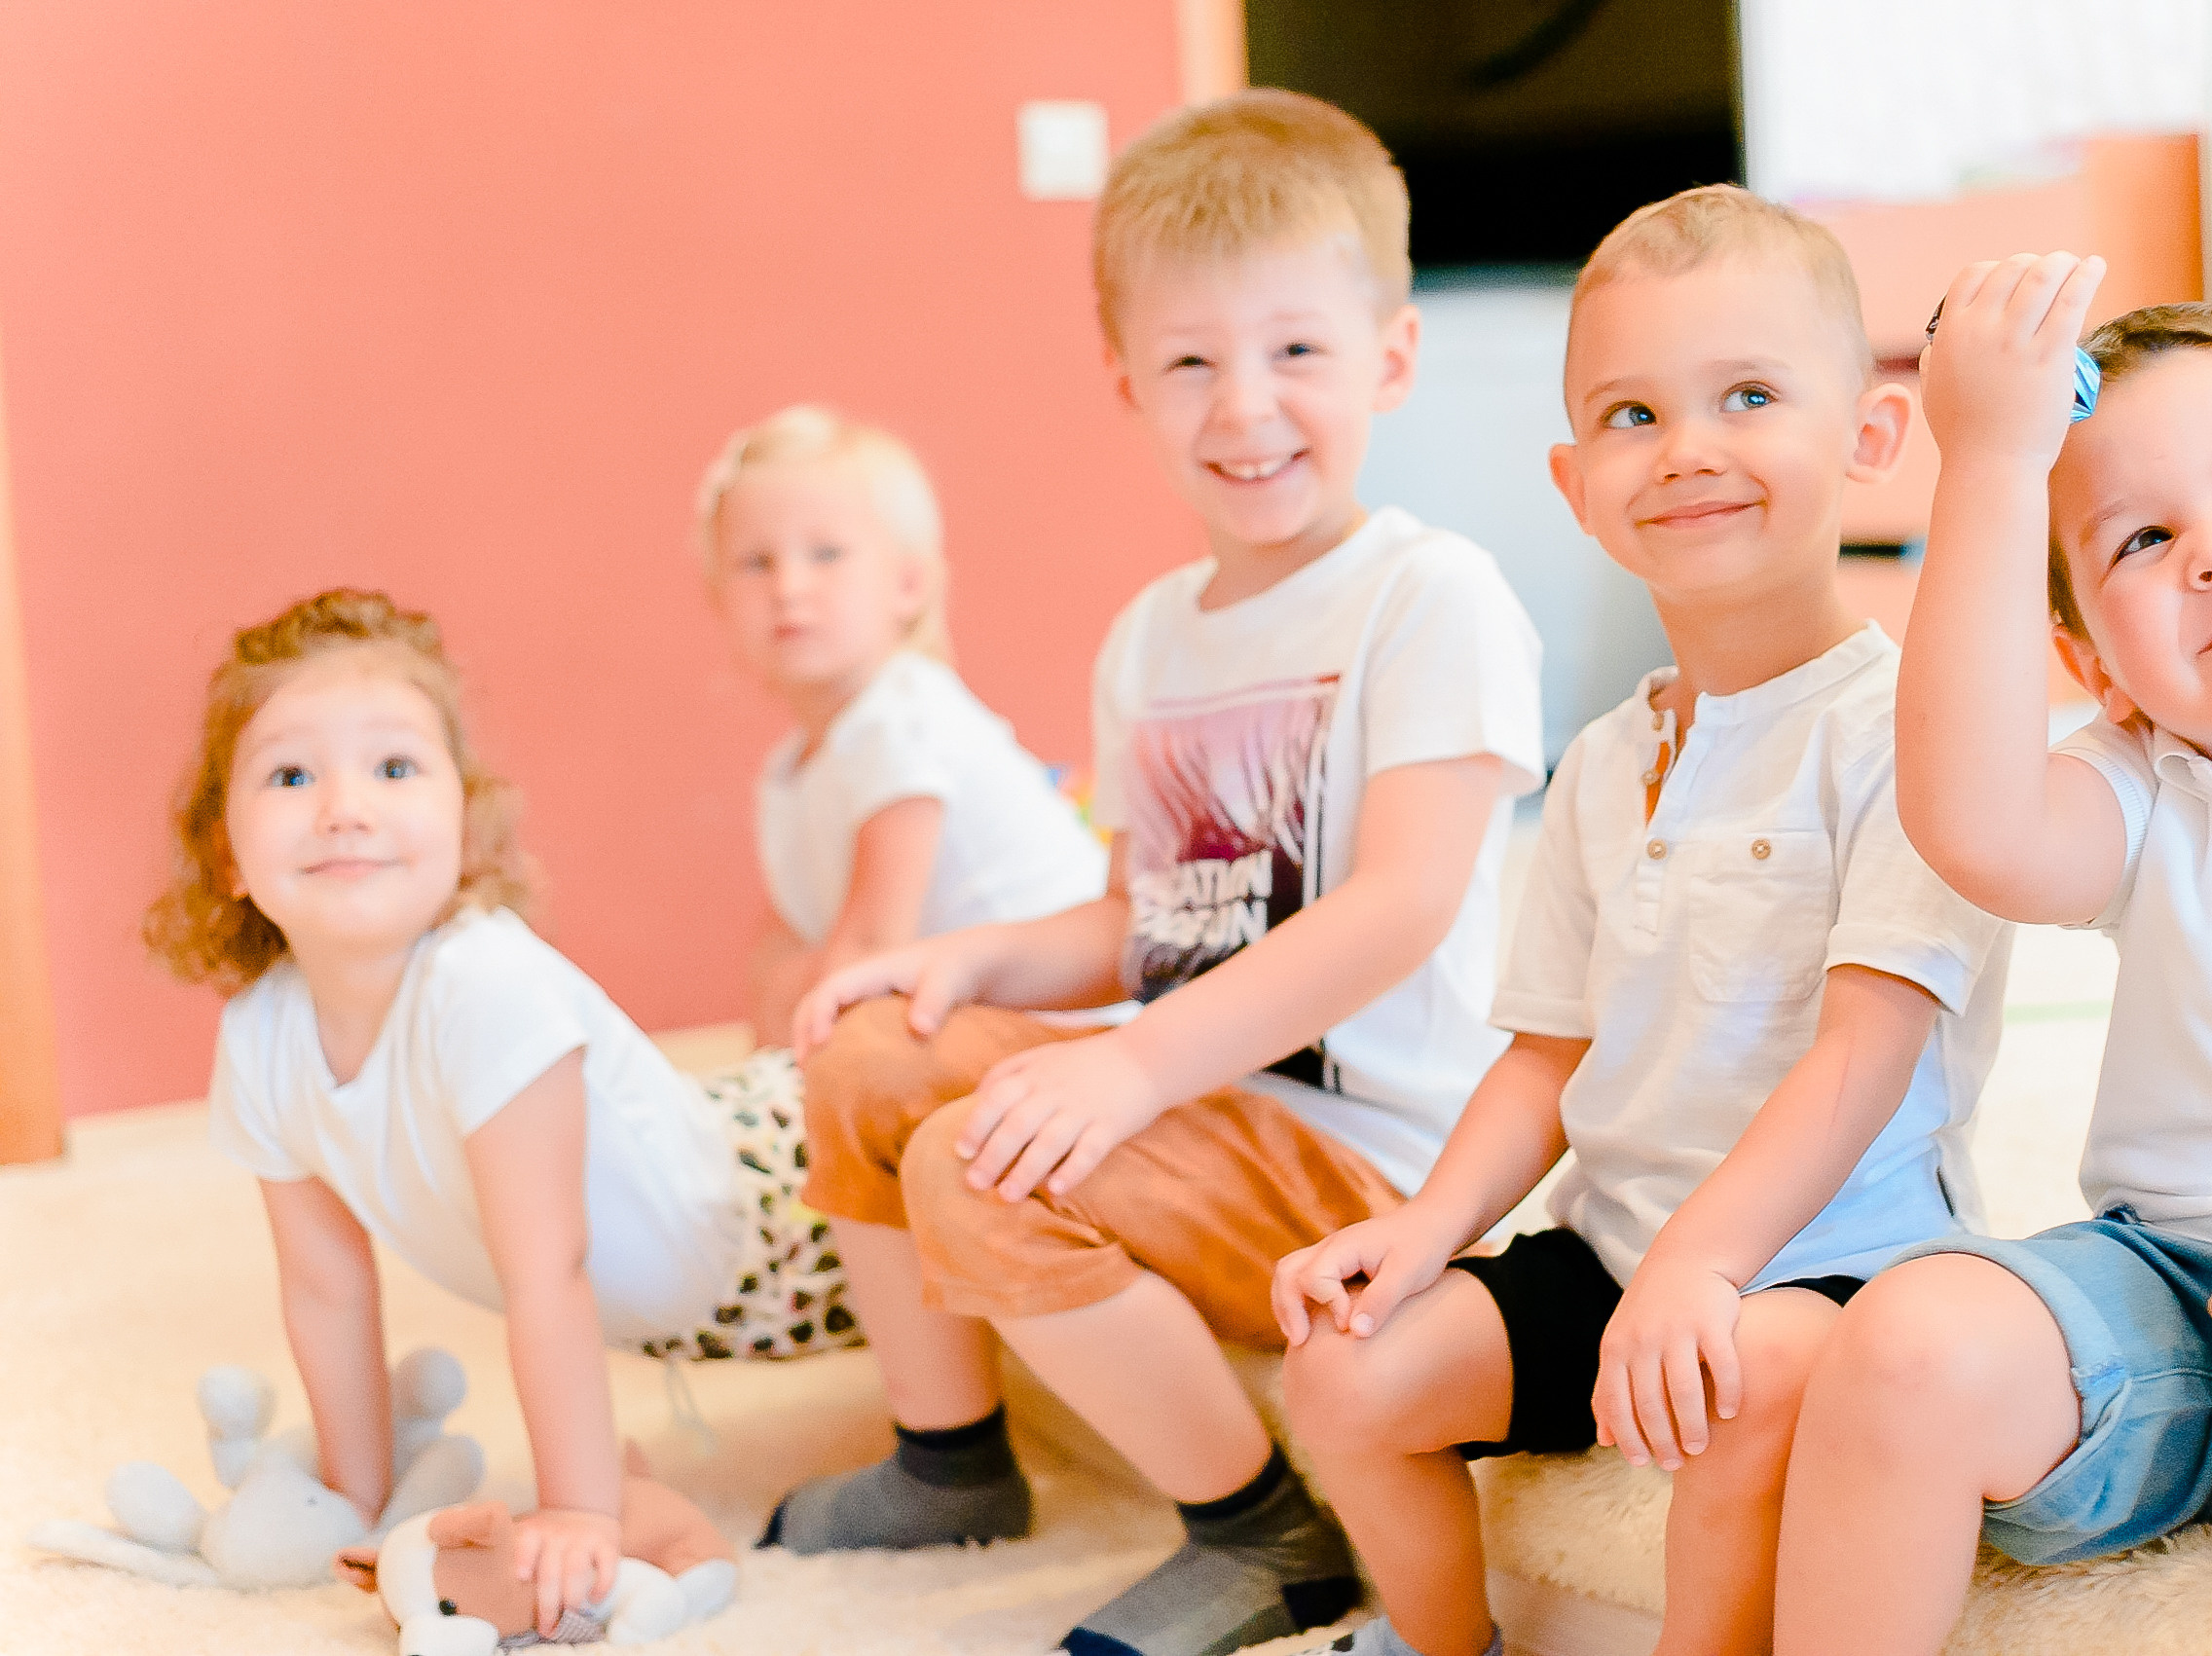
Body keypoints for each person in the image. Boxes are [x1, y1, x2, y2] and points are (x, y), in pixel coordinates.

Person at [764, 89, 1544, 1656]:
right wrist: (973, 965)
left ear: (1390, 356)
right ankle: (950, 1457)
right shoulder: (1152, 638)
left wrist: (1125, 1071)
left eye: (1297, 353)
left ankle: (1265, 1528)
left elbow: (1399, 905)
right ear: (1126, 380)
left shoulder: (1430, 597)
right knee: (868, 1052)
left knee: (977, 1161)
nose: (1244, 407)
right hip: (1207, 1103)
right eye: (1192, 362)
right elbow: (1149, 919)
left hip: (1379, 1167)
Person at [1272, 186, 2013, 1656]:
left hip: (1828, 1265)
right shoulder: (1607, 756)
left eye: (1748, 394)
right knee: (1344, 1379)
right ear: (1570, 479)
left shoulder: (1908, 730)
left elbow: (1865, 1057)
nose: (1687, 451)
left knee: (1755, 1388)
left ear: (1869, 436)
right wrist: (1427, 1231)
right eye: (1630, 414)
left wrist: (1706, 1267)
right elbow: (1551, 1055)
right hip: (1611, 1249)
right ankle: (1437, 1638)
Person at [1772, 264, 2212, 1656]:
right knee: (1909, 1336)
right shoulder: (2139, 785)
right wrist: (1988, 458)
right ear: (2093, 664)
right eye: (2143, 538)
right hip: (2163, 1310)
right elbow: (1967, 816)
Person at [147, 589, 852, 1641]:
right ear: (225, 852)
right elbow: (326, 1286)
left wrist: (578, 1506)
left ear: (465, 820)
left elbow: (549, 1271)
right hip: (721, 1181)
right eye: (292, 775)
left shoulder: (484, 987)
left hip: (789, 1207)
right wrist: (358, 1491)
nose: (344, 805)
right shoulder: (262, 1031)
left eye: (393, 767)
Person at [698, 404, 1108, 1050]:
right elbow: (785, 950)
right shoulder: (792, 769)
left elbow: (867, 951)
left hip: (1071, 1028)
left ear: (909, 584)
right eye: (755, 562)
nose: (789, 586)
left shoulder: (901, 720)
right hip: (966, 1020)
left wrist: (787, 1015)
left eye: (827, 553)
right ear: (716, 596)